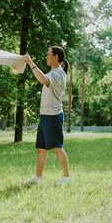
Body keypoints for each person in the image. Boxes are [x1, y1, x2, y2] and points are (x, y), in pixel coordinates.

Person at [23, 46, 71, 186]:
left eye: (48, 54)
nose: (46, 57)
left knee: (57, 147)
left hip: (53, 116)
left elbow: (44, 80)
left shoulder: (59, 73)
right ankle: (38, 177)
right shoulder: (53, 72)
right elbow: (44, 78)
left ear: (56, 57)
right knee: (41, 148)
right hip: (45, 116)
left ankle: (67, 178)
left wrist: (31, 63)